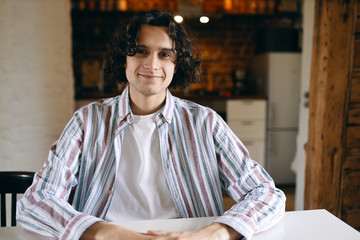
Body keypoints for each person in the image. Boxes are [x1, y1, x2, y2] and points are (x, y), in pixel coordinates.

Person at [17, 10, 286, 240]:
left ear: (177, 63)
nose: (151, 64)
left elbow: (266, 194)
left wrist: (214, 232)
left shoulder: (205, 122)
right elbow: (35, 201)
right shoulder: (87, 120)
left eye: (165, 54)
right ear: (124, 57)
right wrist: (104, 232)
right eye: (140, 51)